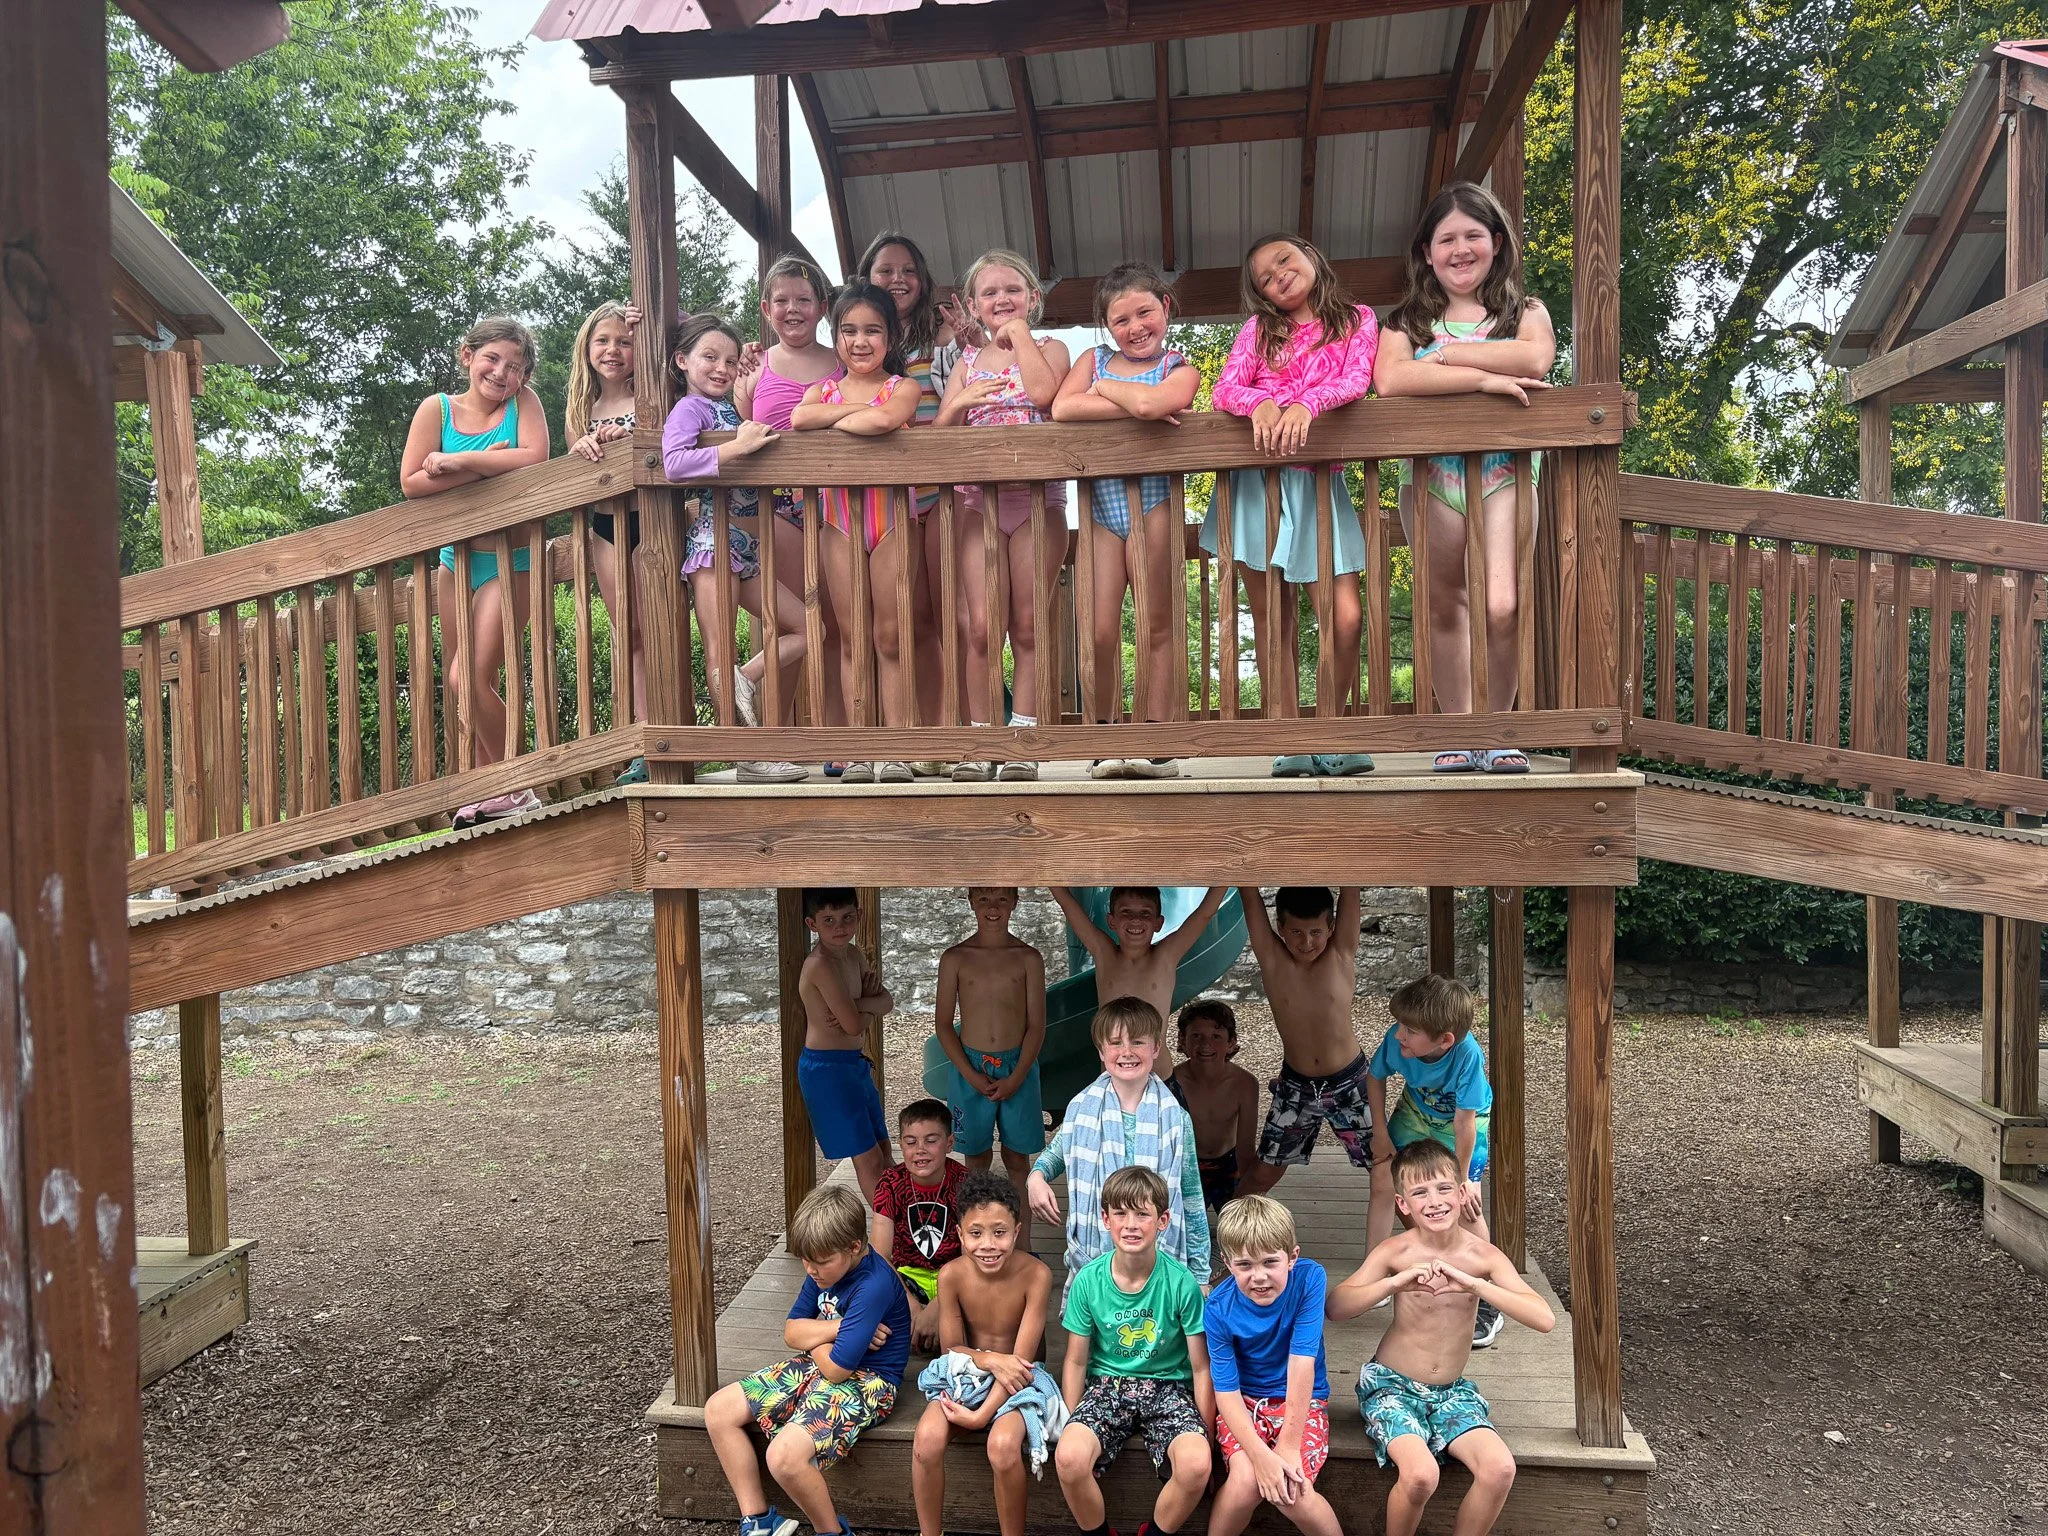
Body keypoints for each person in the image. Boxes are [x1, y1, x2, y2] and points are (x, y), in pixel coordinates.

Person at [1374, 182, 1557, 774]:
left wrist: (1445, 357)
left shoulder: (1525, 313)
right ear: (1427, 252)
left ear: (1496, 244)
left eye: (1473, 236)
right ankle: (1460, 729)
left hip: (1505, 475)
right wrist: (1482, 377)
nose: (1460, 249)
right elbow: (1392, 381)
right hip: (1431, 477)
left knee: (1501, 602)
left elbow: (1533, 360)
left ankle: (1498, 731)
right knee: (1445, 602)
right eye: (1445, 238)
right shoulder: (1405, 320)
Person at [1201, 233, 1378, 777]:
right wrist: (1264, 402)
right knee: (1273, 618)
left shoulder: (1357, 319)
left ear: (1311, 257)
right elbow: (1225, 390)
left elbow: (1358, 378)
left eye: (1285, 260)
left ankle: (1329, 728)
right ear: (1262, 296)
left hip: (1321, 484)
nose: (1277, 274)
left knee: (1345, 617)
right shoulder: (1259, 331)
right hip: (1258, 484)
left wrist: (1306, 402)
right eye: (1263, 277)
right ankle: (1289, 738)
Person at [1328, 1141, 1554, 1536]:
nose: (1434, 1201)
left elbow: (1544, 1318)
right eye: (1420, 1193)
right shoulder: (1395, 1250)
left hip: (1452, 1393)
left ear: (1462, 1192)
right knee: (1420, 1477)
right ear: (1403, 1204)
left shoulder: (1483, 1256)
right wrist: (1395, 1281)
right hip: (1392, 1387)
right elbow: (1338, 1306)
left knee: (1499, 1468)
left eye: (1444, 1188)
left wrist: (1474, 1284)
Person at [1050, 262, 1203, 779]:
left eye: (1144, 312)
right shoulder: (1092, 358)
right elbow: (1062, 409)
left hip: (1155, 505)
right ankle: (1105, 734)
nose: (1135, 327)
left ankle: (1157, 739)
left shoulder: (1179, 364)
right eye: (1120, 320)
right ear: (1105, 326)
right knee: (1098, 627)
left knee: (1157, 620)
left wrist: (1109, 392)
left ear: (1166, 307)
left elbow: (1158, 401)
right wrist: (1131, 401)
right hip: (1099, 509)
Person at [399, 316, 550, 824]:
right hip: (454, 562)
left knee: (468, 676)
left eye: (514, 366)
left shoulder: (522, 405)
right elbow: (413, 482)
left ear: (524, 377)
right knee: (463, 676)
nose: (501, 372)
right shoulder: (436, 409)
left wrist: (460, 463)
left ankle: (517, 781)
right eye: (492, 358)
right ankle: (492, 788)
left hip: (514, 562)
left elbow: (536, 457)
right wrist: (486, 461)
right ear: (468, 355)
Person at [703, 1182, 911, 1536]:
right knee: (718, 1410)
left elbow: (835, 1369)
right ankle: (760, 1522)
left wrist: (813, 1332)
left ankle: (832, 1531)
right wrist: (838, 1327)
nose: (811, 1271)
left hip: (870, 1381)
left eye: (820, 1263)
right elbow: (790, 1332)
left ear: (854, 1247)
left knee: (783, 1458)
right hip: (825, 1364)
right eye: (806, 1261)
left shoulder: (872, 1284)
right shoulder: (825, 1266)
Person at [935, 249, 1070, 783]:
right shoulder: (966, 364)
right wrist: (959, 402)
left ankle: (1022, 739)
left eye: (1012, 290)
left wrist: (1021, 337)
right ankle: (981, 737)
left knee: (1030, 625)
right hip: (978, 505)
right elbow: (940, 441)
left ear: (1032, 298)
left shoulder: (1052, 348)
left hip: (1039, 503)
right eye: (989, 293)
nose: (1001, 300)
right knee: (983, 627)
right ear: (972, 304)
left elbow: (1043, 394)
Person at [659, 311, 807, 786]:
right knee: (718, 649)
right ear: (682, 360)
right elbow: (675, 464)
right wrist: (737, 449)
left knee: (810, 627)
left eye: (728, 359)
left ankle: (748, 676)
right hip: (712, 544)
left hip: (747, 546)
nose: (720, 368)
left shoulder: (729, 409)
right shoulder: (690, 409)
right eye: (708, 357)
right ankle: (746, 756)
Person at [793, 283, 923, 785]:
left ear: (890, 337)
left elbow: (889, 418)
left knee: (890, 635)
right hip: (837, 521)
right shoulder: (818, 391)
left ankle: (895, 745)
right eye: (849, 330)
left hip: (890, 521)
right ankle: (859, 744)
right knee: (851, 637)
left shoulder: (903, 387)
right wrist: (857, 416)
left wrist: (848, 420)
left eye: (872, 330)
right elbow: (800, 418)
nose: (860, 341)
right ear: (836, 335)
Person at [1053, 1166, 1214, 1536]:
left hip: (1169, 1387)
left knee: (1195, 1465)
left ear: (1163, 1220)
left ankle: (1154, 1533)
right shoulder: (1088, 1281)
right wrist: (1071, 1422)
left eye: (1143, 1214)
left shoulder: (1181, 1283)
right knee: (1070, 1457)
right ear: (1105, 1218)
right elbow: (1076, 1360)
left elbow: (1201, 1367)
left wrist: (1207, 1434)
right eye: (1121, 1213)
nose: (1131, 1224)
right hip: (1107, 1385)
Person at [856, 231, 963, 762]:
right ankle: (912, 734)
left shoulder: (942, 335)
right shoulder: (859, 340)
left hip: (938, 492)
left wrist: (968, 342)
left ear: (922, 279)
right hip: (884, 497)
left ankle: (946, 732)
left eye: (908, 270)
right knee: (905, 616)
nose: (897, 280)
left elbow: (967, 385)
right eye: (885, 271)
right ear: (866, 278)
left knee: (947, 613)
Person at [1026, 998, 1210, 1290]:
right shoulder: (1082, 1109)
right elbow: (1056, 1153)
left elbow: (1190, 1196)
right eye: (1115, 1043)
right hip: (1095, 1259)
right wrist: (1036, 1177)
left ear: (1155, 1048)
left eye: (1137, 1042)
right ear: (1101, 1050)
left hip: (1157, 1261)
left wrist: (1200, 1277)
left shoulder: (1175, 1118)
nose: (1126, 1052)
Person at [911, 1171, 1058, 1536]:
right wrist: (990, 1358)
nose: (988, 1245)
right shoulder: (951, 1276)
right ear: (960, 1234)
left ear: (1017, 1230)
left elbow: (1021, 1365)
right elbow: (951, 1352)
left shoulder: (1036, 1275)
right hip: (968, 1372)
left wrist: (980, 1418)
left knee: (1003, 1445)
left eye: (1000, 1232)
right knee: (927, 1438)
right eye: (975, 1234)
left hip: (1020, 1380)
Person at [739, 254, 848, 736]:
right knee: (791, 625)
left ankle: (838, 737)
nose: (793, 308)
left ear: (822, 306)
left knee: (836, 624)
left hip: (836, 503)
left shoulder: (844, 358)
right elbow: (736, 427)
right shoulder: (752, 367)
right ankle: (773, 741)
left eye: (804, 299)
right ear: (766, 309)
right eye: (781, 300)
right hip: (778, 507)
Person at [1365, 972, 1499, 1346]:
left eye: (1408, 1029)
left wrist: (1460, 1178)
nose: (1399, 1034)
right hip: (1415, 1109)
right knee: (1383, 1182)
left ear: (1444, 1040)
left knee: (1466, 1203)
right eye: (1400, 1025)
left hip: (1461, 1124)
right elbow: (1374, 1078)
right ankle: (1375, 1276)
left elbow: (1464, 1122)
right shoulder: (1399, 1040)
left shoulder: (1467, 1054)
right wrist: (1379, 1133)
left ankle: (1486, 1297)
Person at [1202, 1196, 1338, 1536]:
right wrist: (1261, 1457)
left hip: (1302, 1401)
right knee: (1245, 1480)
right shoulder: (1218, 1309)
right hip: (1245, 1404)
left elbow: (1301, 1363)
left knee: (1294, 1493)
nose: (1259, 1276)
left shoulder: (1309, 1280)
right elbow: (1227, 1392)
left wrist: (1288, 1446)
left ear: (1292, 1257)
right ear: (1228, 1264)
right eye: (1245, 1265)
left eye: (1269, 1262)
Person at [1231, 887, 1370, 1199]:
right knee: (1263, 1172)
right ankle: (1230, 1241)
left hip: (1351, 1081)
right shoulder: (1271, 958)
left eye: (1316, 932)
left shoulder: (1340, 952)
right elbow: (1247, 891)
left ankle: (1430, 1243)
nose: (1306, 942)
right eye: (1296, 932)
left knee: (1386, 1167)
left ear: (1332, 928)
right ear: (1280, 928)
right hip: (1297, 1085)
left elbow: (1351, 882)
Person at [562, 300, 650, 777]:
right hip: (605, 526)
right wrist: (581, 446)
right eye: (603, 340)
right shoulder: (581, 406)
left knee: (658, 627)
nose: (613, 350)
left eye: (624, 340)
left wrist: (652, 325)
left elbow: (687, 353)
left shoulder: (652, 392)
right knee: (629, 632)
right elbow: (576, 459)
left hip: (650, 521)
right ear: (587, 347)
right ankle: (641, 742)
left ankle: (665, 734)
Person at [933, 888, 1047, 1233]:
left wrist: (1017, 1076)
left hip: (1019, 1067)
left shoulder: (1028, 958)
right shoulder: (955, 957)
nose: (992, 908)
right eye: (983, 899)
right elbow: (942, 1025)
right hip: (970, 1067)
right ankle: (979, 1235)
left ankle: (1021, 1241)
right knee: (976, 1157)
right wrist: (968, 1073)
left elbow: (1037, 1025)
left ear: (1015, 901)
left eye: (1001, 899)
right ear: (971, 902)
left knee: (1017, 1158)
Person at [796, 888, 896, 1205]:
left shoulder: (853, 956)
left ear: (859, 915)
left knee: (884, 1151)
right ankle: (888, 1238)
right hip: (826, 1071)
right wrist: (866, 1009)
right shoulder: (819, 965)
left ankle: (904, 1226)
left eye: (847, 917)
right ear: (812, 924)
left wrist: (857, 1006)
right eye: (829, 920)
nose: (840, 927)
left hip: (853, 1063)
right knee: (868, 1161)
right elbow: (854, 1024)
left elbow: (887, 1001)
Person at [870, 1097, 969, 1353]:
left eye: (931, 1140)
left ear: (949, 1143)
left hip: (955, 1275)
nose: (920, 1149)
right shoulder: (891, 1183)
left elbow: (973, 1255)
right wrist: (913, 1308)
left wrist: (939, 1307)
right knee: (868, 1289)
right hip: (907, 1277)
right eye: (911, 1141)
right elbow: (880, 1255)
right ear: (901, 1144)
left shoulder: (966, 1184)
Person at [1051, 885, 1229, 1021]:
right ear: (1111, 921)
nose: (1135, 919)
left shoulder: (1164, 957)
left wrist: (1230, 870)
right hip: (1114, 1068)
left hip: (1157, 1069)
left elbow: (1204, 914)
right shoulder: (1105, 955)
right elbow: (1067, 903)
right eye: (1126, 912)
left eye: (1145, 913)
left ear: (1158, 923)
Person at [1163, 1000, 1260, 1218]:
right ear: (1182, 1041)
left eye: (1216, 1037)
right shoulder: (1171, 1082)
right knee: (1176, 1228)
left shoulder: (1245, 1083)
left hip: (1229, 1163)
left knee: (1242, 1226)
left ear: (1231, 1042)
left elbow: (1246, 1149)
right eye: (1196, 1036)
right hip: (1187, 1163)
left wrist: (1248, 1199)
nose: (1205, 1044)